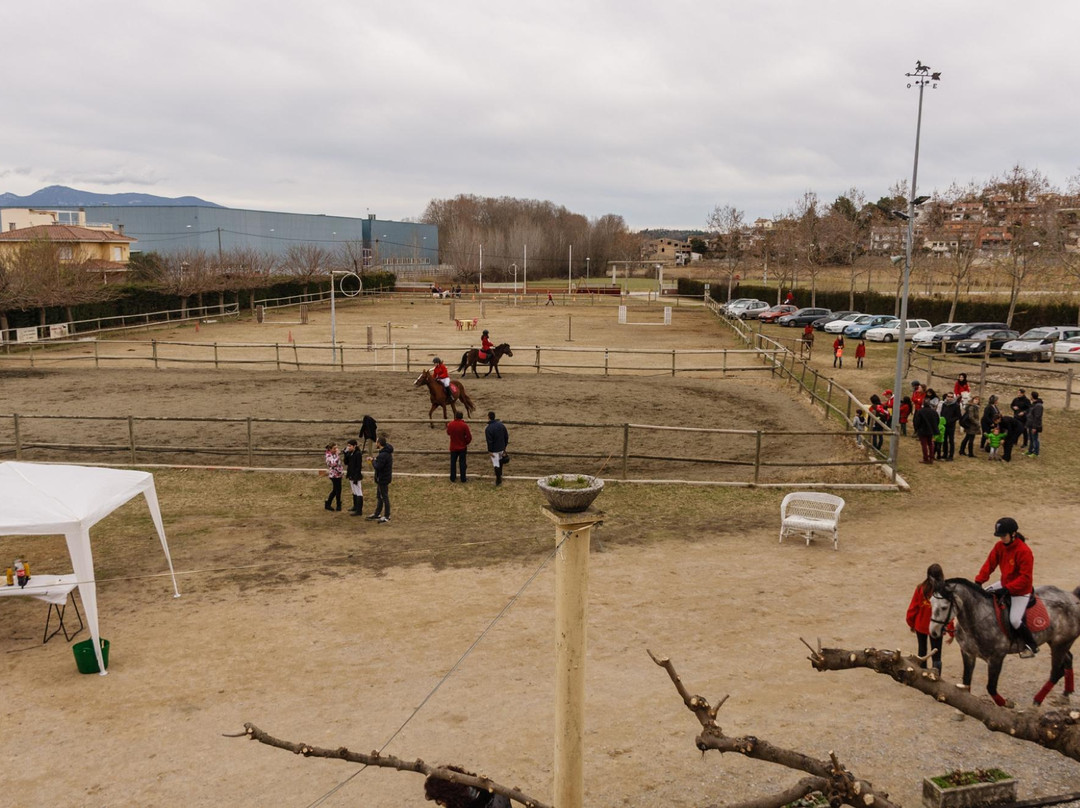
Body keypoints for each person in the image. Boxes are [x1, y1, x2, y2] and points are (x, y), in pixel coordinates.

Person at [974, 517, 1039, 657]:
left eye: (1004, 535)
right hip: (1005, 584)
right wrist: (979, 581)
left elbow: (1025, 578)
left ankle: (1031, 645)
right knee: (983, 597)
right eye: (1000, 536)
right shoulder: (999, 547)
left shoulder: (1024, 551)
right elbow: (989, 564)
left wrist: (1008, 589)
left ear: (1013, 534)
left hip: (1021, 591)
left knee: (1014, 619)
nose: (1001, 538)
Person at [907, 563, 945, 673]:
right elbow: (947, 611)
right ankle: (936, 677)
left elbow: (913, 608)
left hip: (921, 626)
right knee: (937, 656)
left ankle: (923, 676)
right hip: (937, 627)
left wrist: (911, 623)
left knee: (922, 652)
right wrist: (950, 628)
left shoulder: (920, 589)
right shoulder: (944, 591)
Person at [367, 435, 394, 523]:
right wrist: (375, 459)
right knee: (380, 496)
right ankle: (377, 513)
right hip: (382, 478)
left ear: (379, 443)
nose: (376, 443)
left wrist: (372, 461)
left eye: (377, 442)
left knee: (384, 497)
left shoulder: (383, 454)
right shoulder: (384, 453)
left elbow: (378, 467)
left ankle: (387, 516)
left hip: (383, 479)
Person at [484, 410, 509, 486]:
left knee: (496, 464)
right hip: (501, 447)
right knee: (500, 462)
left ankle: (498, 481)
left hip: (494, 449)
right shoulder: (501, 425)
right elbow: (506, 436)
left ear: (488, 417)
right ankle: (500, 476)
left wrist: (490, 450)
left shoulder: (488, 429)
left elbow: (489, 441)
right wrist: (504, 446)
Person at [446, 411, 472, 482]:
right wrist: (465, 442)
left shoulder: (451, 424)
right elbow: (469, 437)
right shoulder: (464, 425)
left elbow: (448, 432)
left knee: (453, 463)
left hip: (453, 447)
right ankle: (463, 478)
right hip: (462, 447)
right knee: (462, 463)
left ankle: (452, 478)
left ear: (455, 416)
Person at [912, 398, 940, 464]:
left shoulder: (920, 411)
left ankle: (925, 458)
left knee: (924, 444)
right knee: (931, 444)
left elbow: (917, 422)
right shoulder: (934, 412)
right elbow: (937, 420)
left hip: (922, 430)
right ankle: (931, 458)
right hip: (931, 430)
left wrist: (917, 429)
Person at [343, 439, 365, 515]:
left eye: (350, 446)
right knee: (354, 491)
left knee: (359, 492)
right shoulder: (350, 453)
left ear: (354, 446)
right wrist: (345, 454)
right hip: (351, 474)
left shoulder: (358, 454)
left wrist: (356, 477)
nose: (348, 447)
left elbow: (358, 467)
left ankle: (359, 510)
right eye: (348, 446)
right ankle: (355, 506)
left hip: (356, 475)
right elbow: (346, 462)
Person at [939, 391, 961, 461]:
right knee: (944, 440)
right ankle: (944, 454)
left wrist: (951, 420)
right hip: (944, 425)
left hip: (951, 426)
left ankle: (951, 455)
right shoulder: (944, 404)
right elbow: (942, 413)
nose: (949, 398)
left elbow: (958, 416)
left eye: (951, 397)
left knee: (951, 440)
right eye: (948, 396)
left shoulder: (956, 405)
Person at [324, 442, 344, 512]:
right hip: (333, 475)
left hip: (339, 474)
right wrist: (338, 455)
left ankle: (336, 504)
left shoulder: (334, 454)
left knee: (338, 490)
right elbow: (333, 463)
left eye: (336, 448)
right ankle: (329, 503)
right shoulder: (328, 455)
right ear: (330, 449)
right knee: (336, 490)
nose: (336, 449)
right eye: (334, 448)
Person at [1025, 391, 1043, 457]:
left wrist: (1035, 427)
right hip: (1030, 424)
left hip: (1034, 425)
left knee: (1035, 439)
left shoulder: (1038, 406)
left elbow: (1037, 417)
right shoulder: (1033, 404)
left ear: (1032, 396)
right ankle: (1030, 450)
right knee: (1031, 438)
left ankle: (1036, 453)